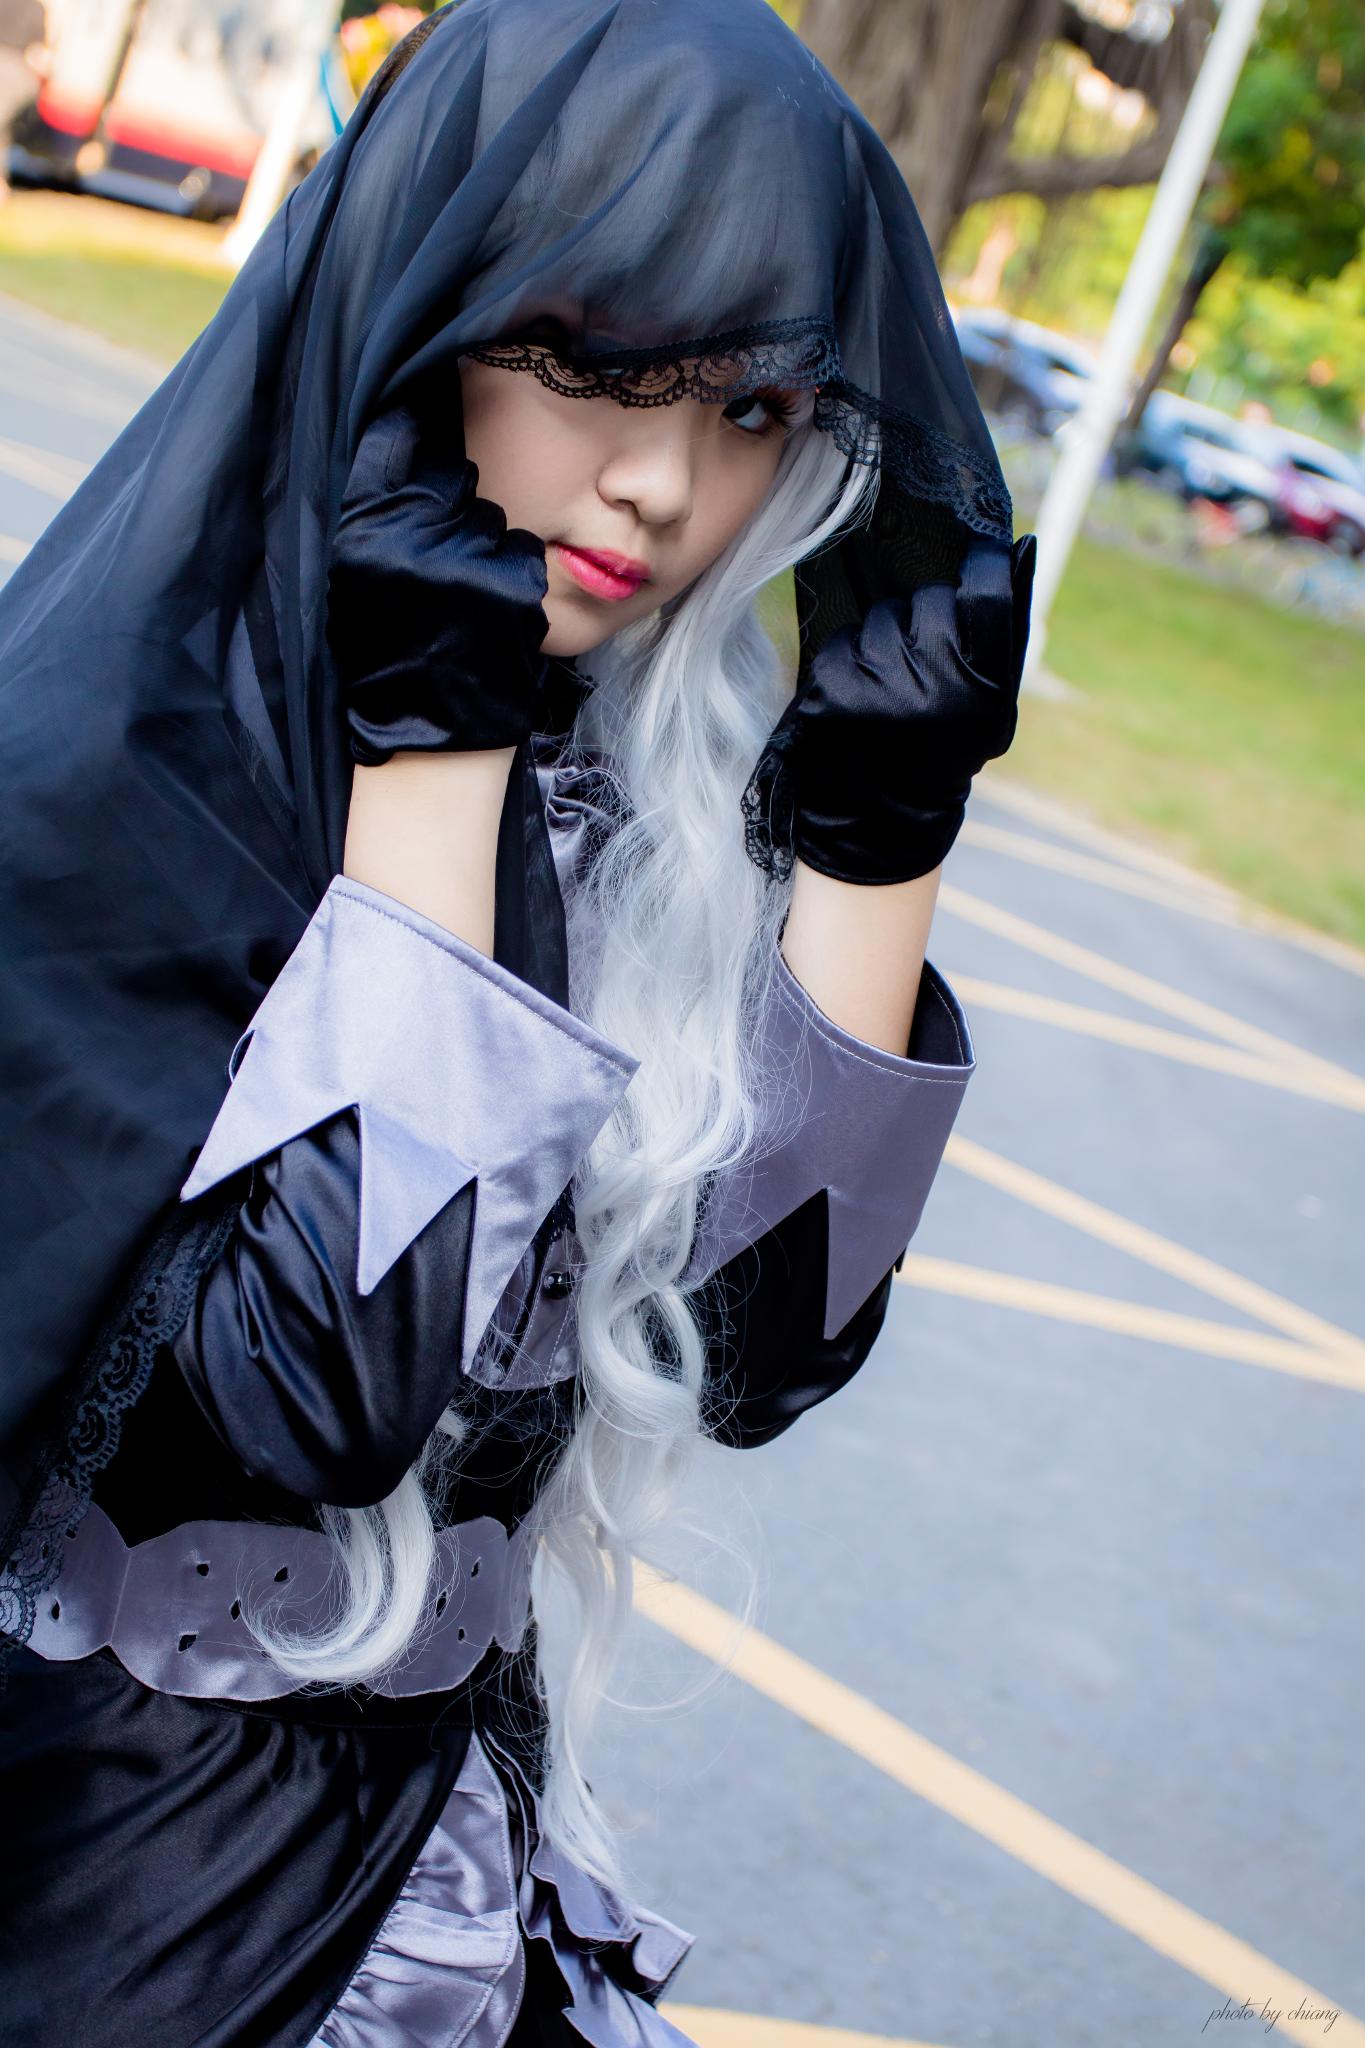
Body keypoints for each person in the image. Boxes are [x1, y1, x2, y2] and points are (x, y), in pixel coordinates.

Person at [0, 1, 1034, 2042]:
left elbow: (761, 1351)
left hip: (448, 1859)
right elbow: (316, 1400)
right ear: (421, 320)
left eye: (750, 408)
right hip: (115, 1902)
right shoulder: (100, 788)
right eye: (592, 364)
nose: (659, 484)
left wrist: (876, 839)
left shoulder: (628, 797)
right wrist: (428, 773)